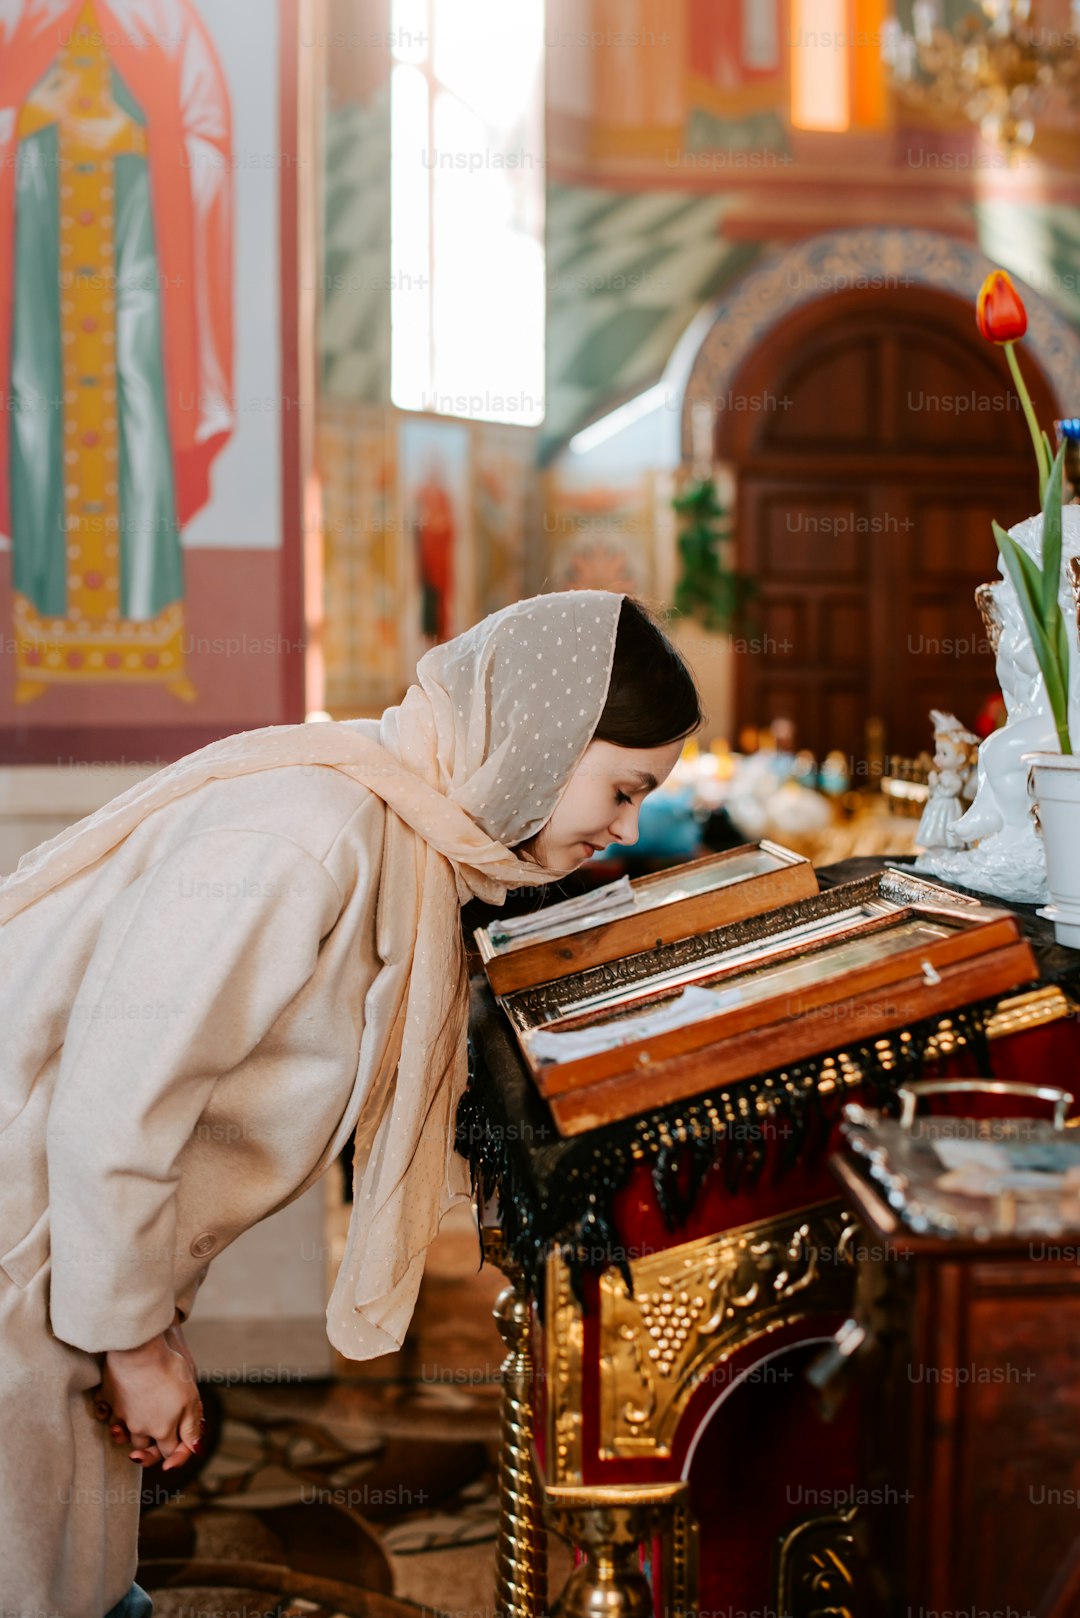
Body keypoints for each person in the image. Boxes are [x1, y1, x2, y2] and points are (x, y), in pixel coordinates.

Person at [0, 590, 702, 1618]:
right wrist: (138, 1347)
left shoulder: (391, 828)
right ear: (541, 738)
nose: (628, 826)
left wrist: (140, 1322)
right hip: (26, 1227)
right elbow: (115, 1104)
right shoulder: (311, 836)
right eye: (622, 788)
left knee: (72, 1561)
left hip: (69, 1241)